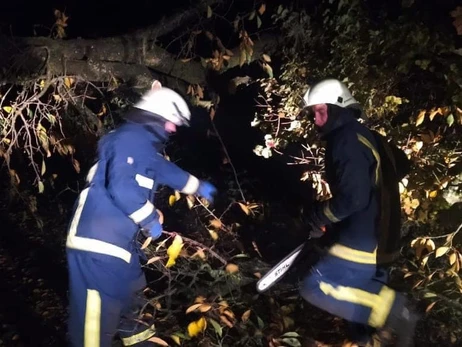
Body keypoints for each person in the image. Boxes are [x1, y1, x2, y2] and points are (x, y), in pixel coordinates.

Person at [65, 81, 217, 347]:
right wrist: (149, 218)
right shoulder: (129, 138)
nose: (172, 129)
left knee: (135, 309)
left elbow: (167, 172)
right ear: (155, 115)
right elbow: (121, 186)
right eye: (171, 122)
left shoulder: (145, 150)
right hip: (98, 247)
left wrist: (197, 186)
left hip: (123, 250)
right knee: (92, 330)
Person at [298, 78, 418, 347]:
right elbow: (402, 164)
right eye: (313, 114)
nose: (316, 121)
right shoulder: (370, 137)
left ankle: (395, 309)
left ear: (339, 107)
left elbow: (353, 199)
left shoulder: (345, 139)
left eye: (320, 112)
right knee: (360, 321)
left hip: (362, 240)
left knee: (314, 288)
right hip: (384, 239)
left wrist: (318, 217)